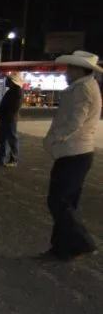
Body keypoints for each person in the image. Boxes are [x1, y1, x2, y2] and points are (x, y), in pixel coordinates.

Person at [41, 50, 102, 261]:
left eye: (70, 68)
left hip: (74, 152)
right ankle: (63, 248)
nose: (67, 71)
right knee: (66, 202)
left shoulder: (82, 90)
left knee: (58, 201)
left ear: (78, 69)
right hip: (78, 152)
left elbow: (74, 122)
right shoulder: (84, 87)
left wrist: (54, 139)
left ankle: (82, 242)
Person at [0, 72, 24, 167]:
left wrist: (1, 113)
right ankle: (1, 159)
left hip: (10, 119)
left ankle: (13, 160)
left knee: (12, 139)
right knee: (3, 139)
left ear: (13, 82)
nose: (6, 81)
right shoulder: (11, 91)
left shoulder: (17, 91)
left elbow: (13, 107)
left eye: (8, 80)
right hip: (6, 118)